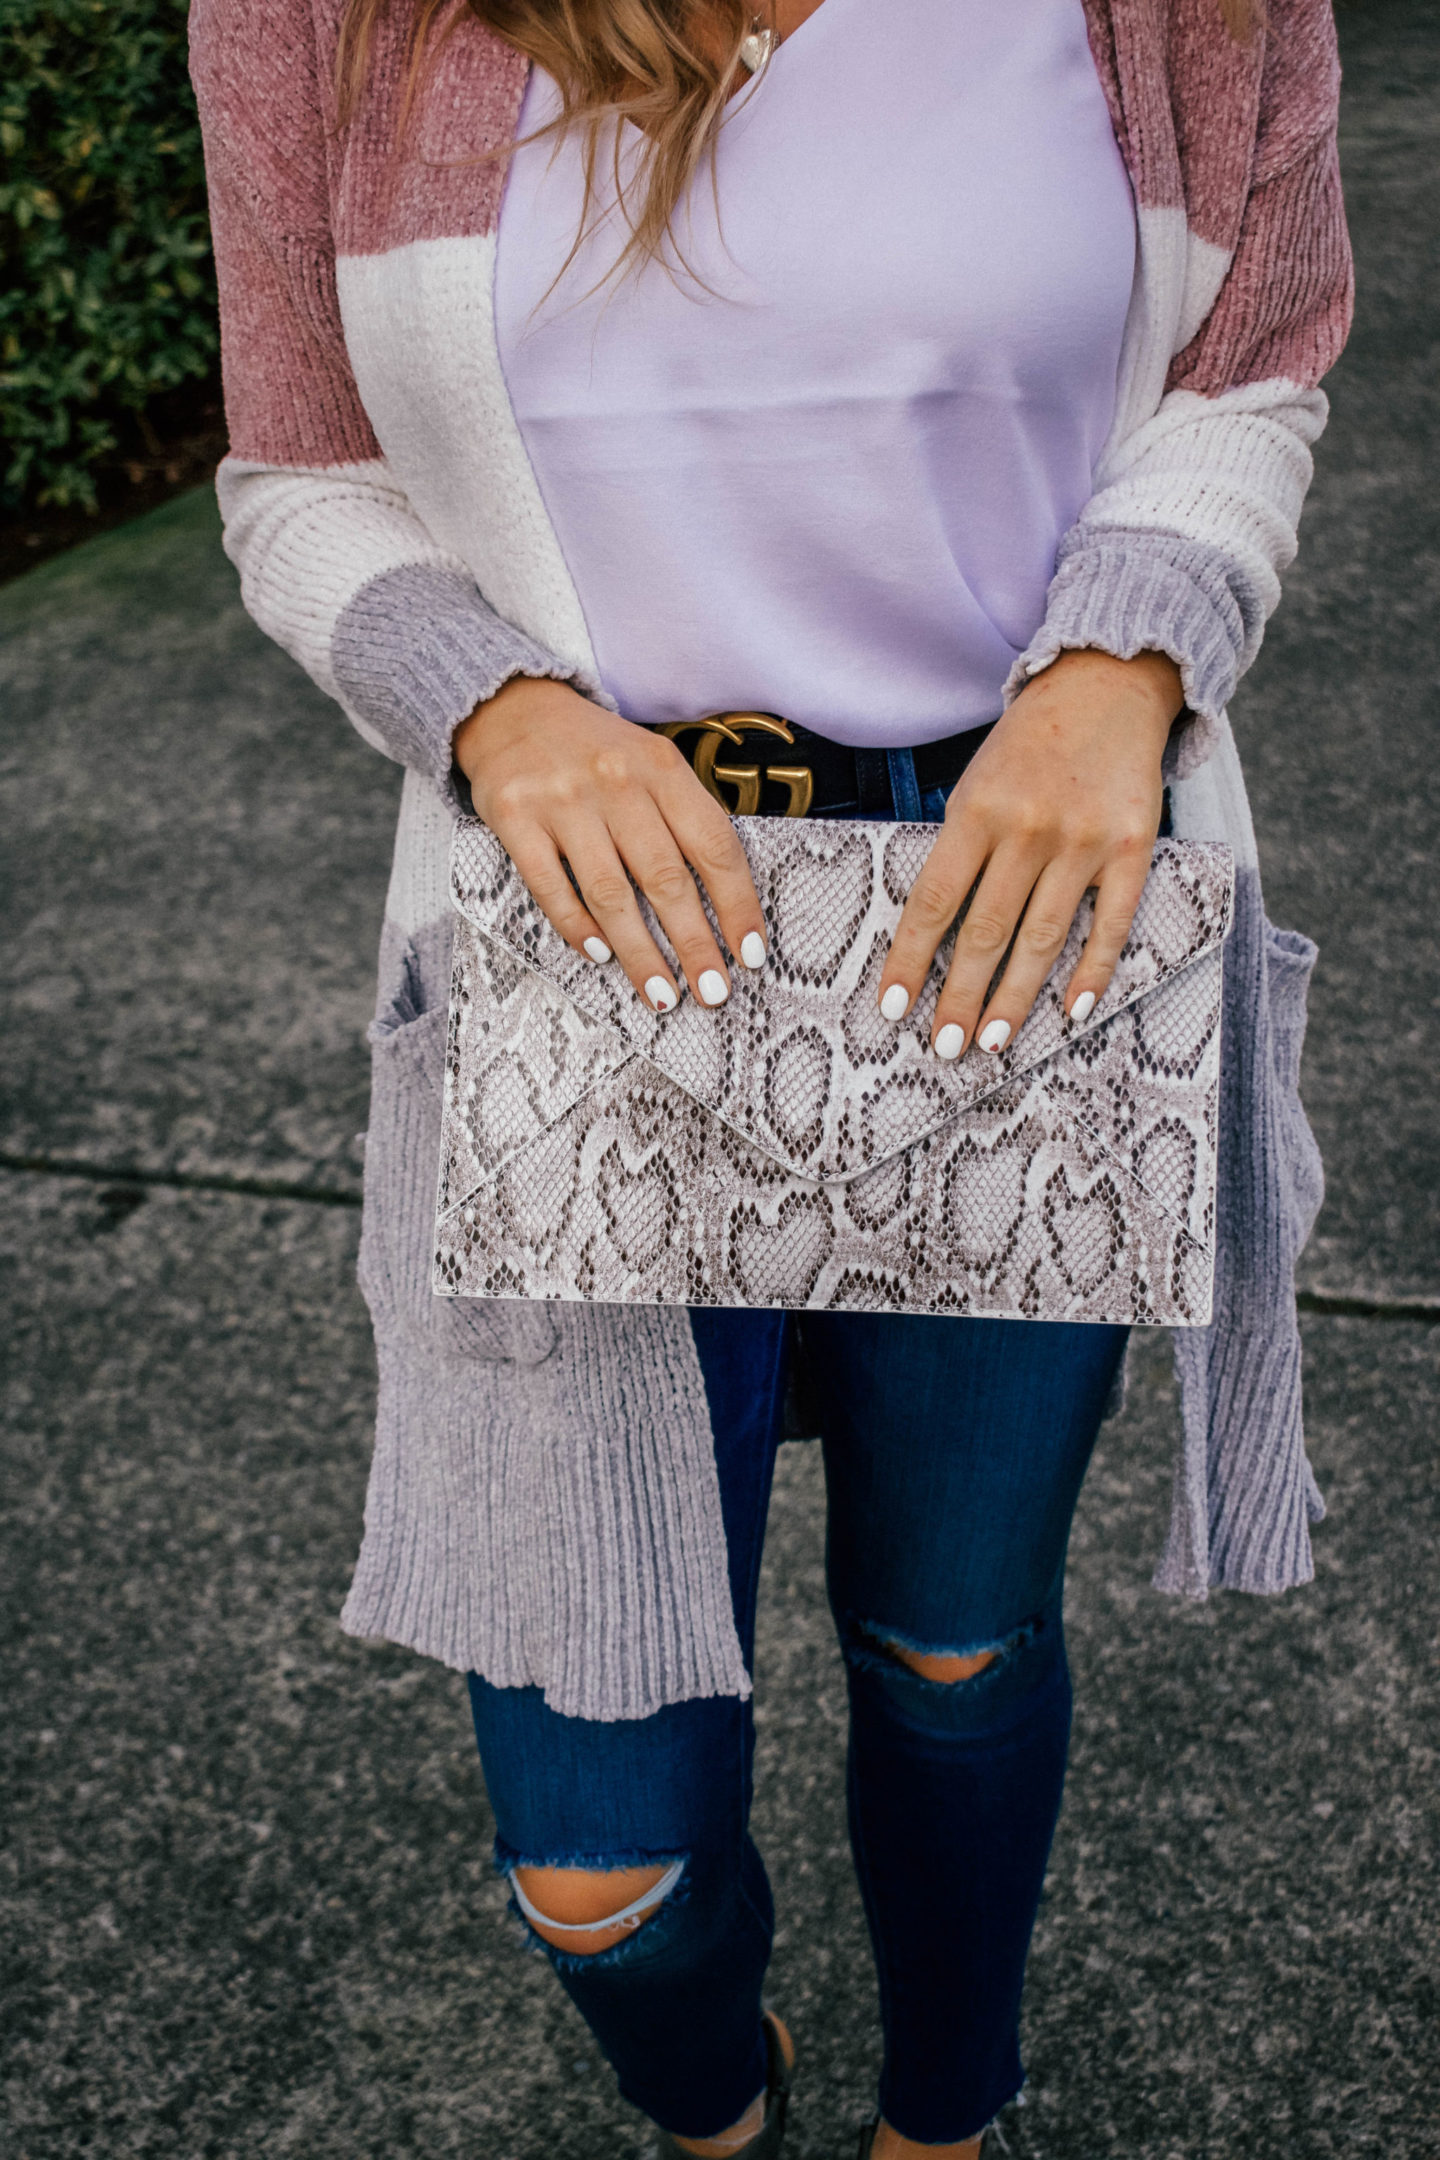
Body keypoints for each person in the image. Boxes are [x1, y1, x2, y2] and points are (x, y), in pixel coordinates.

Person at [190, 0, 1351, 2149]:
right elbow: (298, 472)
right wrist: (490, 701)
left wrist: (1126, 653)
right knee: (598, 1867)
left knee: (954, 1645)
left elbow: (1250, 363)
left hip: (1029, 930)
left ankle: (946, 2111)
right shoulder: (317, 15)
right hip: (584, 955)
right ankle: (722, 2109)